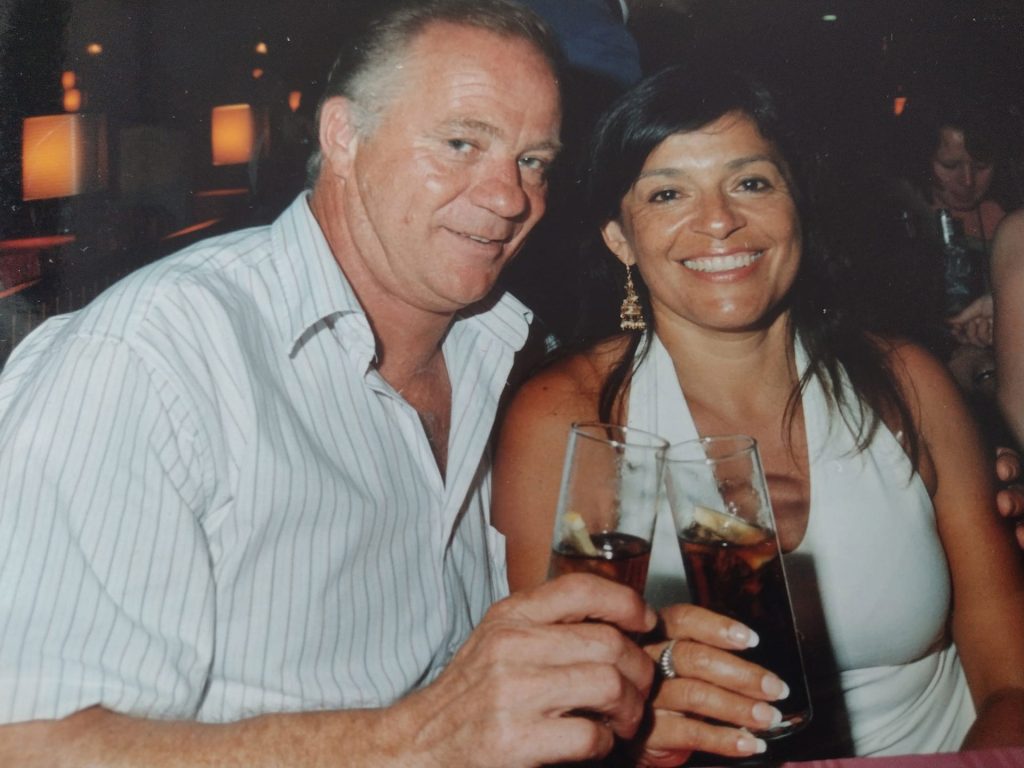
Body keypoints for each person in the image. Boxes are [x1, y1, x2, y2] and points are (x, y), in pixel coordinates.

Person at [0, 3, 786, 765]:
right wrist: (415, 742)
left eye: (533, 162)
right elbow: (27, 745)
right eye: (460, 143)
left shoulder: (510, 356)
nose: (508, 197)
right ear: (343, 136)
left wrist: (621, 717)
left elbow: (489, 703)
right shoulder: (150, 356)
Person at [492, 63, 1024, 760]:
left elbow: (1012, 682)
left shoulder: (908, 383)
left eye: (751, 183)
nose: (718, 220)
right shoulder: (566, 417)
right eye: (668, 193)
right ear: (619, 237)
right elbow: (562, 709)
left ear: (797, 203)